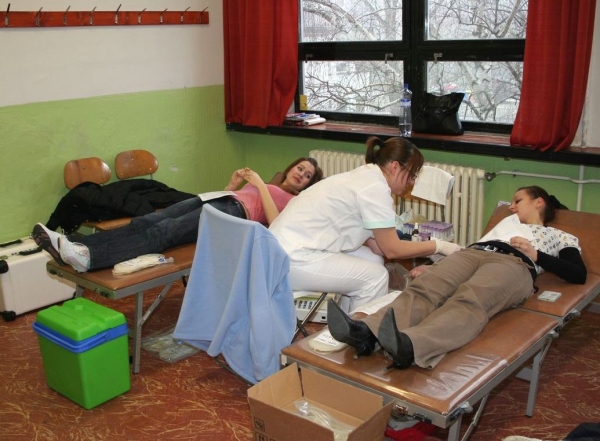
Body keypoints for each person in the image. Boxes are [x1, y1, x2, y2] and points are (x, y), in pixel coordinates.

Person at [327, 185, 587, 369]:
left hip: (515, 264)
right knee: (425, 287)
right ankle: (366, 332)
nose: (511, 206)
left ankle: (412, 345)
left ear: (539, 202)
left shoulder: (559, 236)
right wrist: (437, 266)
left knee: (469, 300)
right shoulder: (506, 223)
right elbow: (467, 252)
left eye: (518, 200)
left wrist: (536, 255)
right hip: (472, 253)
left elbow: (578, 274)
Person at [269, 136, 461, 313]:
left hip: (280, 249)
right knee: (375, 278)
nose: (412, 182)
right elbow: (392, 249)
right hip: (291, 259)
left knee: (373, 261)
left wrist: (426, 251)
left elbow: (379, 248)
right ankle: (357, 334)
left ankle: (343, 323)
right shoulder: (375, 189)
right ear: (395, 167)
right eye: (412, 175)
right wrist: (439, 246)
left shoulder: (365, 176)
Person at [32, 158, 323, 273]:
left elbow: (276, 223)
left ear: (308, 185)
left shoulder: (294, 200)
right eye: (300, 168)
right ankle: (77, 246)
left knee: (164, 231)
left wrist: (259, 184)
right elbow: (234, 195)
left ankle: (89, 258)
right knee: (147, 221)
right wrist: (233, 184)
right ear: (291, 168)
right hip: (218, 200)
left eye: (307, 175)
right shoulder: (271, 185)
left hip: (234, 215)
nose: (301, 174)